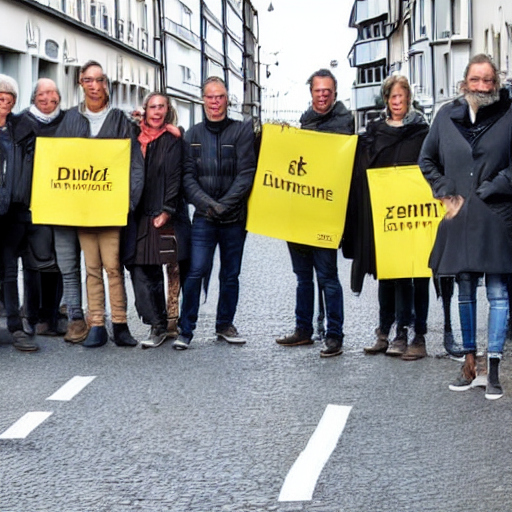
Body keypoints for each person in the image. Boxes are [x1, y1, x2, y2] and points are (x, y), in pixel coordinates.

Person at [419, 54, 512, 400]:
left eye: (489, 80)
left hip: (498, 216)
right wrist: (444, 192)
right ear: (464, 83)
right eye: (476, 80)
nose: (483, 86)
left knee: (499, 293)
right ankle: (469, 364)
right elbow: (426, 159)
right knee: (465, 292)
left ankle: (494, 371)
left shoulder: (508, 113)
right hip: (458, 217)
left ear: (496, 83)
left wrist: (493, 187)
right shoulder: (446, 116)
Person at [56, 60, 144, 348]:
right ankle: (96, 324)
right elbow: (58, 160)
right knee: (91, 267)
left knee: (113, 267)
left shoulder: (120, 120)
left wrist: (129, 201)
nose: (95, 86)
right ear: (81, 83)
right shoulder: (70, 119)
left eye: (100, 80)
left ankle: (119, 323)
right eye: (89, 80)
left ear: (106, 84)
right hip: (82, 209)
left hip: (111, 208)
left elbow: (134, 164)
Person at [344, 75, 430, 360]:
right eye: (392, 97)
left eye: (401, 97)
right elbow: (356, 160)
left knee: (411, 274)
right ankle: (383, 330)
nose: (397, 102)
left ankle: (405, 333)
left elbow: (430, 164)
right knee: (387, 274)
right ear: (386, 99)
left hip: (413, 214)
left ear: (408, 99)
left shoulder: (421, 131)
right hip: (385, 215)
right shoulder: (375, 132)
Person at [173, 76, 256, 350]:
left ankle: (224, 325)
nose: (215, 102)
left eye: (220, 96)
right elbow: (187, 177)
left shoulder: (241, 131)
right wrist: (209, 205)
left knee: (230, 275)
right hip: (204, 218)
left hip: (234, 218)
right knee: (195, 271)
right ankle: (186, 330)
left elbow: (246, 173)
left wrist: (226, 204)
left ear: (227, 99)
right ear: (203, 99)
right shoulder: (192, 135)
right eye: (210, 97)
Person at [276, 69, 354, 357]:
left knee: (328, 277)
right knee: (303, 278)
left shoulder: (343, 122)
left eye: (327, 91)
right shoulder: (305, 121)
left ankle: (334, 335)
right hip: (299, 213)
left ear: (334, 93)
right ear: (311, 93)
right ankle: (303, 331)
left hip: (325, 214)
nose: (322, 95)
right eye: (317, 91)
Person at [128, 92, 185, 347]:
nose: (157, 111)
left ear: (167, 110)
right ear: (145, 110)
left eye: (162, 107)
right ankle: (156, 324)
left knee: (170, 267)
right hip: (137, 212)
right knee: (141, 269)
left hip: (163, 212)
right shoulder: (133, 135)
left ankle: (170, 321)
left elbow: (175, 177)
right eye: (152, 106)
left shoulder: (173, 139)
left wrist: (167, 210)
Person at [15, 79, 66, 338]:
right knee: (35, 262)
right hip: (30, 203)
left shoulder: (68, 121)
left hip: (63, 202)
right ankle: (31, 316)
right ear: (34, 97)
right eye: (43, 93)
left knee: (59, 263)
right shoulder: (20, 122)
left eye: (53, 93)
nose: (49, 98)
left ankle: (52, 315)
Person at [0, 74, 40, 352]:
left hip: (13, 211)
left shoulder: (24, 128)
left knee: (9, 270)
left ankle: (15, 327)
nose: (1, 103)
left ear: (13, 102)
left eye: (6, 99)